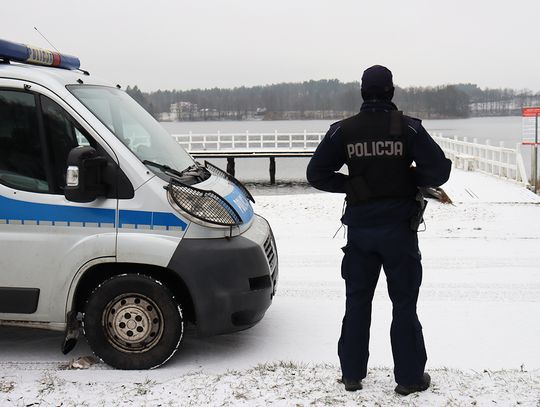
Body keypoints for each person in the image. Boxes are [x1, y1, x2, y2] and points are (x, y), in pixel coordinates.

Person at [306, 65, 451, 395]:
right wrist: (408, 178)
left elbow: (316, 174)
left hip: (360, 232)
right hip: (400, 231)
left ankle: (352, 375)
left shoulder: (343, 130)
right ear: (391, 92)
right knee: (404, 305)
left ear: (362, 93)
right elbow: (439, 172)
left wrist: (353, 186)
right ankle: (410, 379)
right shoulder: (408, 129)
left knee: (357, 302)